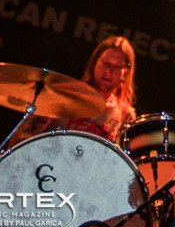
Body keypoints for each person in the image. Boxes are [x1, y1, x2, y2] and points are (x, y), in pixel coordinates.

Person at [9, 35, 137, 145]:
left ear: (126, 72)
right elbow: (20, 139)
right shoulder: (63, 94)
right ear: (95, 62)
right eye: (105, 62)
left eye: (117, 66)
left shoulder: (125, 115)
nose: (109, 71)